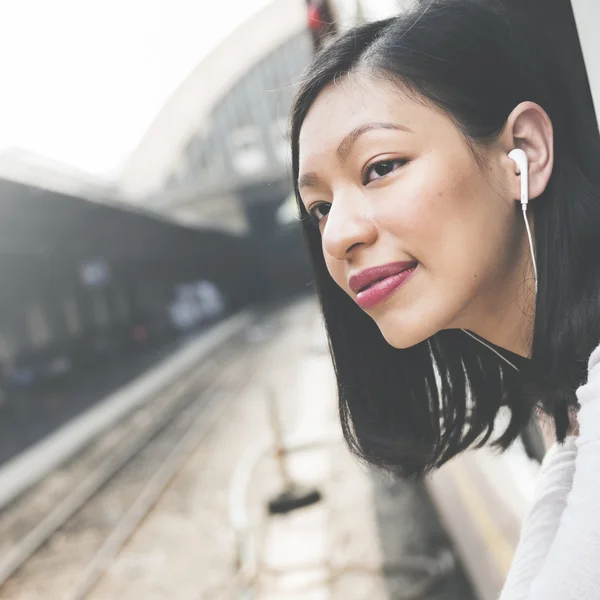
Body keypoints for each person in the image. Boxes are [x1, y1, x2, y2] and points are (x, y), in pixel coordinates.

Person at [290, 0, 600, 598]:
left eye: (380, 168)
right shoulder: (571, 413)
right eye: (320, 208)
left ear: (524, 155)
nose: (337, 234)